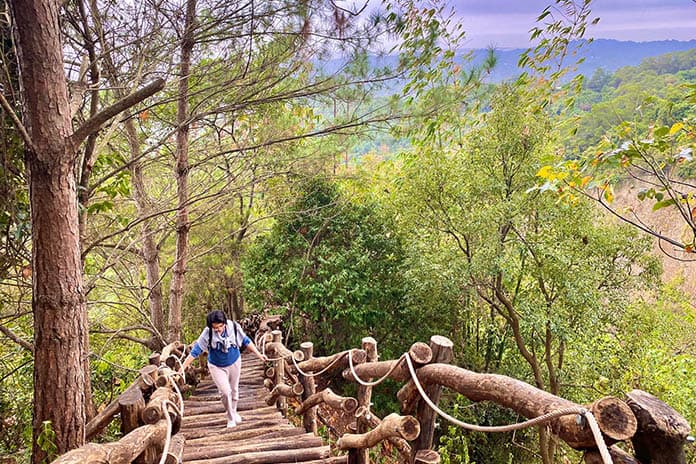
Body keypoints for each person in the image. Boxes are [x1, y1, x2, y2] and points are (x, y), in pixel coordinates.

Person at [180, 310, 267, 428]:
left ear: (225, 323)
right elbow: (196, 351)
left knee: (234, 390)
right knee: (225, 392)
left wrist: (259, 355)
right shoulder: (207, 333)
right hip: (216, 366)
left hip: (234, 361)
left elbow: (246, 341)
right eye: (215, 328)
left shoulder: (233, 327)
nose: (219, 329)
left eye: (221, 326)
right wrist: (182, 368)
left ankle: (234, 411)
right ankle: (230, 416)